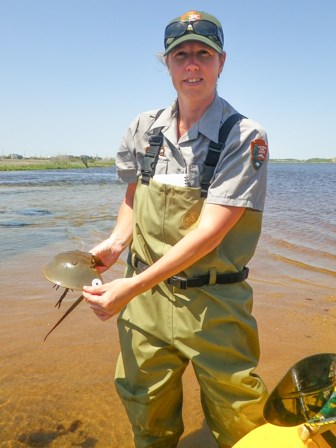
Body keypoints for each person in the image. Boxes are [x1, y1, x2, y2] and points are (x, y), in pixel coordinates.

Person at [83, 9, 269, 448]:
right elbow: (134, 197)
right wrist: (115, 243)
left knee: (239, 414)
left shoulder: (244, 135)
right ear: (166, 63)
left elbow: (211, 232)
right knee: (145, 408)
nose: (191, 64)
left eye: (203, 53)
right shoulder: (142, 129)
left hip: (214, 303)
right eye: (180, 54)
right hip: (144, 302)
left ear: (222, 62)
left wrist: (128, 287)